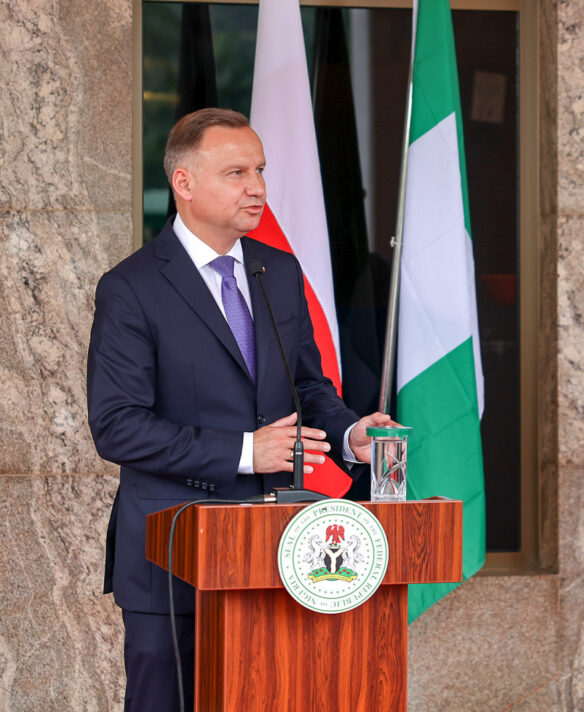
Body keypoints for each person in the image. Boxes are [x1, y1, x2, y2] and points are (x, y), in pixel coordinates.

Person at [86, 108, 395, 711]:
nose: (256, 187)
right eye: (236, 172)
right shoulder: (131, 288)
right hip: (171, 555)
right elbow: (117, 426)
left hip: (276, 549)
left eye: (259, 170)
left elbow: (307, 384)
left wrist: (350, 429)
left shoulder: (277, 271)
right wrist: (247, 452)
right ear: (184, 184)